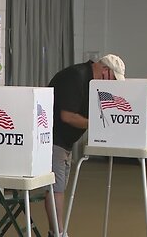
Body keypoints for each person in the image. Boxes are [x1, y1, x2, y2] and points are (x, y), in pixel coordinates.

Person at [45, 54, 126, 237]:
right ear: (105, 71)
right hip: (53, 138)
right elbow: (67, 116)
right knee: (56, 188)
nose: (111, 85)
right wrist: (96, 123)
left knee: (59, 188)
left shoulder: (89, 81)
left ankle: (57, 231)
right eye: (113, 80)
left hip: (64, 142)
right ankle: (57, 233)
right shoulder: (76, 76)